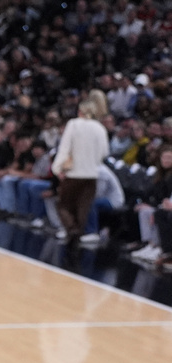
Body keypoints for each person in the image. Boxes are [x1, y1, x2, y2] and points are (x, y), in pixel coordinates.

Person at [51, 93, 110, 270]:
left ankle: (72, 230)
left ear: (81, 111)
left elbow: (64, 149)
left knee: (63, 206)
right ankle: (75, 245)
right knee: (82, 208)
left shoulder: (74, 125)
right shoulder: (100, 128)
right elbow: (104, 153)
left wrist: (57, 168)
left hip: (73, 174)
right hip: (91, 175)